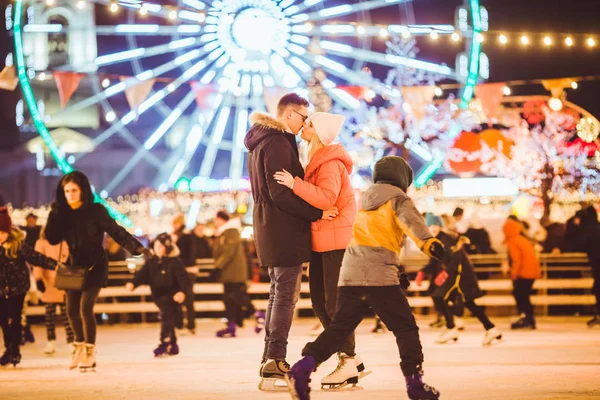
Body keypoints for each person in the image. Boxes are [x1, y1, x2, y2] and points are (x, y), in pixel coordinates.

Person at [285, 156, 444, 400]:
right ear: (403, 178)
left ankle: (302, 367)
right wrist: (430, 244)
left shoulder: (366, 200)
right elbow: (412, 224)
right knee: (405, 328)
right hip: (378, 274)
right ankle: (415, 384)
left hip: (351, 273)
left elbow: (373, 238)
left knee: (340, 328)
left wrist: (397, 270)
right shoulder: (399, 199)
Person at [244, 93, 339, 390]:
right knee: (285, 296)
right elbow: (280, 193)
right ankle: (274, 360)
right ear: (288, 115)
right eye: (303, 117)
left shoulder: (260, 142)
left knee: (278, 294)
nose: (304, 124)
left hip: (268, 227)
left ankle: (269, 359)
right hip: (282, 230)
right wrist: (317, 212)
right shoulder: (277, 142)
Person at [274, 111, 365, 388]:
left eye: (310, 124)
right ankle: (349, 357)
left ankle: (347, 360)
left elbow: (327, 197)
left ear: (320, 132)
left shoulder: (328, 163)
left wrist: (294, 184)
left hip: (335, 243)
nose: (304, 126)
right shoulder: (318, 160)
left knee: (332, 305)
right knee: (320, 303)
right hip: (323, 241)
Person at [45, 171, 146, 371]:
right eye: (66, 191)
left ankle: (90, 352)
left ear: (83, 190)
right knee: (71, 309)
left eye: (74, 190)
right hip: (73, 267)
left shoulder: (96, 210)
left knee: (85, 308)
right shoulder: (62, 213)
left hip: (94, 265)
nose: (70, 195)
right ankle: (78, 347)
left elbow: (115, 230)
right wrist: (54, 214)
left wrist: (136, 248)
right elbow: (52, 238)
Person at [424, 214, 502, 346]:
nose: (433, 229)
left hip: (460, 276)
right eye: (429, 226)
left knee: (438, 296)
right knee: (470, 303)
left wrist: (445, 273)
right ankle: (491, 328)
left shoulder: (447, 239)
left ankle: (451, 328)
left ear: (440, 226)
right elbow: (434, 260)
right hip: (457, 275)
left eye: (435, 225)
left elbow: (455, 260)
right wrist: (423, 271)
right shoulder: (438, 240)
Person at [0, 207, 60, 367]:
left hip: (18, 287)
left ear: (7, 231)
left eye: (1, 232)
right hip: (0, 289)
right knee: (3, 320)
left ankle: (14, 351)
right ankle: (9, 349)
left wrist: (54, 264)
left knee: (15, 318)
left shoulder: (17, 245)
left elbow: (34, 257)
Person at [126, 233, 190, 357]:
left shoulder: (175, 262)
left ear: (168, 247)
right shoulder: (152, 261)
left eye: (161, 246)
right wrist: (133, 283)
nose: (158, 248)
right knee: (168, 319)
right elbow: (142, 274)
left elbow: (184, 279)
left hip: (172, 296)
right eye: (156, 245)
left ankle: (165, 342)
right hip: (158, 296)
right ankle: (173, 344)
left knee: (166, 317)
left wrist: (182, 292)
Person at [212, 211, 263, 337]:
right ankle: (231, 325)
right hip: (228, 272)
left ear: (221, 219)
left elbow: (228, 252)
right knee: (229, 299)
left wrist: (217, 267)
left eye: (216, 219)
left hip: (234, 272)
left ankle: (258, 315)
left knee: (238, 297)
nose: (214, 221)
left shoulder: (231, 232)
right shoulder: (225, 232)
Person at [32, 226, 74, 355]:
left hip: (64, 280)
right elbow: (38, 261)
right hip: (48, 282)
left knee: (67, 313)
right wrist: (38, 278)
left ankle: (71, 341)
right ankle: (51, 341)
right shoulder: (41, 243)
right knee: (50, 314)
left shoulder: (65, 241)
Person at [503, 217, 541, 330]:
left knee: (520, 295)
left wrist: (514, 274)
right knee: (524, 296)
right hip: (531, 272)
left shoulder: (513, 241)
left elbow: (516, 260)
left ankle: (526, 318)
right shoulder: (522, 239)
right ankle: (529, 319)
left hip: (524, 273)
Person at [171, 214, 197, 335]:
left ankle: (182, 324)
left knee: (184, 297)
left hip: (185, 271)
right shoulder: (186, 236)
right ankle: (188, 324)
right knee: (187, 298)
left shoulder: (182, 237)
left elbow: (186, 255)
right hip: (188, 270)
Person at [576, 207, 600, 327]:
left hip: (597, 263)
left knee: (597, 287)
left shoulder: (590, 230)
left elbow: (582, 244)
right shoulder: (595, 227)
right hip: (596, 263)